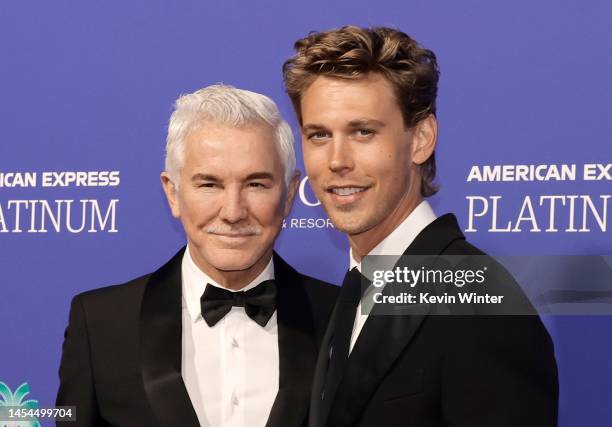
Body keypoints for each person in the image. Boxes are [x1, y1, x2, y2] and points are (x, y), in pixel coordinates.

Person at [283, 26, 558, 427]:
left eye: (363, 132)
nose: (337, 160)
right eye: (319, 135)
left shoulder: (482, 306)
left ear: (422, 138)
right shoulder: (353, 289)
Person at [56, 84, 338, 427]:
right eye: (209, 185)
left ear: (290, 194)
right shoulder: (100, 324)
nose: (233, 212)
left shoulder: (341, 318)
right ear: (172, 193)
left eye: (256, 184)